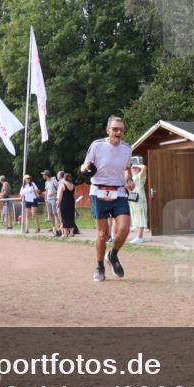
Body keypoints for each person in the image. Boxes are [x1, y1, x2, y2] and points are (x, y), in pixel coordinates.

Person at [81, 116, 133, 282]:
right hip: (99, 191)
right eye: (115, 129)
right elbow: (86, 164)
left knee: (124, 229)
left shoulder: (127, 148)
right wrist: (85, 168)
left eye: (121, 130)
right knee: (103, 234)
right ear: (108, 130)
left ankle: (113, 255)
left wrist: (129, 180)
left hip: (118, 192)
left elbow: (126, 169)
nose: (118, 132)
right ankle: (99, 266)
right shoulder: (97, 145)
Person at [128, 162, 148, 244]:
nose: (133, 169)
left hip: (140, 200)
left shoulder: (140, 176)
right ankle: (138, 236)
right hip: (133, 199)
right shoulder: (132, 178)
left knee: (141, 217)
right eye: (132, 168)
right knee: (135, 216)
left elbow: (144, 167)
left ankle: (140, 237)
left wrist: (137, 165)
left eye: (135, 168)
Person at [57, 173, 77, 238]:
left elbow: (60, 196)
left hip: (64, 203)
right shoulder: (73, 185)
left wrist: (58, 204)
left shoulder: (62, 185)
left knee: (64, 217)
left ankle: (65, 233)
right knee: (71, 217)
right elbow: (74, 195)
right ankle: (71, 233)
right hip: (71, 203)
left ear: (64, 178)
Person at [43, 170, 60, 235]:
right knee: (50, 214)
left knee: (55, 213)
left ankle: (59, 227)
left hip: (53, 199)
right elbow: (46, 190)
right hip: (48, 200)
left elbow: (58, 190)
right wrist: (45, 199)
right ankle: (53, 228)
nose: (43, 176)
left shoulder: (54, 181)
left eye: (44, 175)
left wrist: (52, 193)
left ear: (46, 175)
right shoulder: (46, 182)